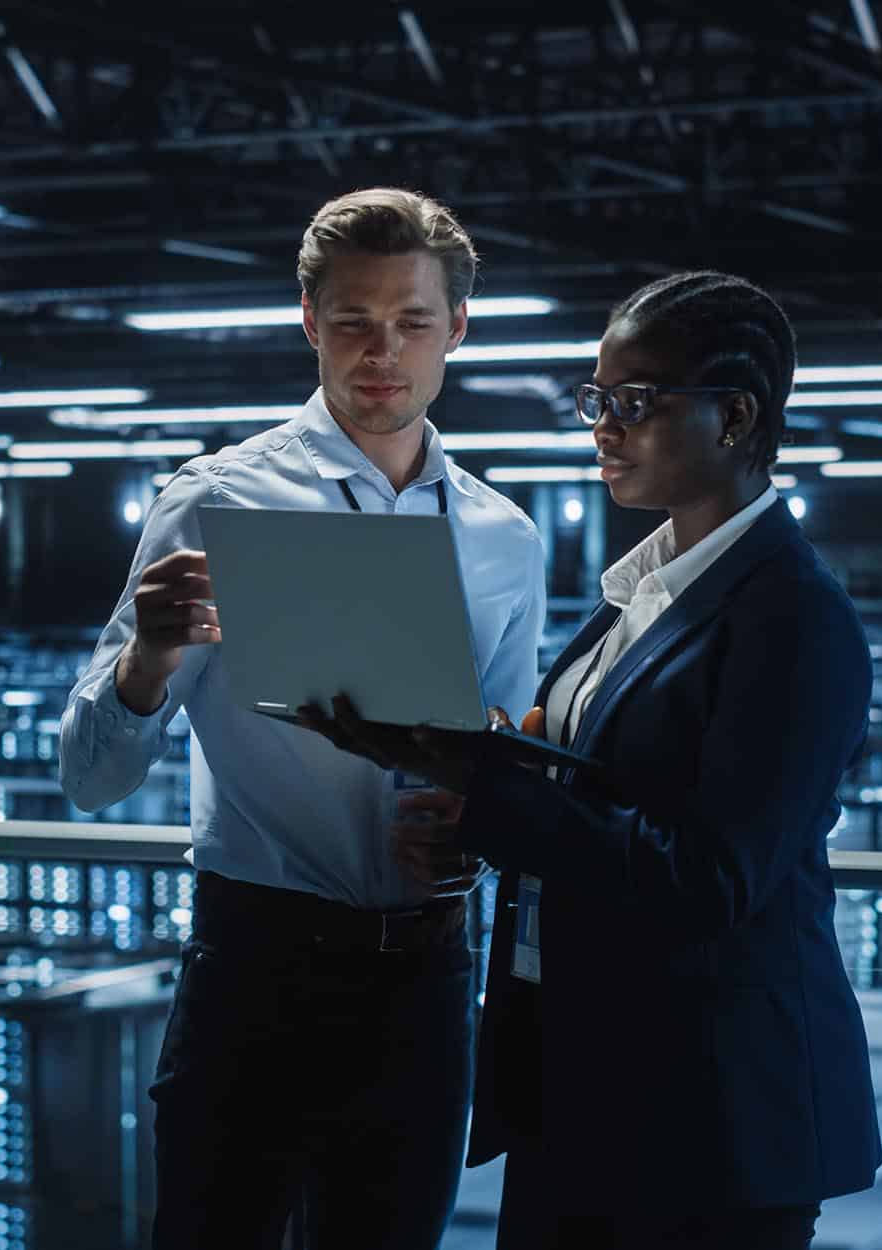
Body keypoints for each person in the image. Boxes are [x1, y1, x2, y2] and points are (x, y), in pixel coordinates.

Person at [303, 271, 881, 1249]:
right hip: (584, 1083)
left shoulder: (792, 618)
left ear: (734, 416)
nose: (601, 426)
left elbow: (705, 876)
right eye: (595, 399)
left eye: (635, 401)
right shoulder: (638, 592)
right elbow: (599, 783)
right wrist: (466, 779)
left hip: (705, 1114)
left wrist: (483, 781)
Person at [58, 187, 546, 1250]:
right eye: (352, 323)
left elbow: (504, 755)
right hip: (256, 969)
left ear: (456, 328)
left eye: (413, 322)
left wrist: (476, 821)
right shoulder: (214, 501)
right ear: (307, 321)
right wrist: (147, 657)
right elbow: (89, 776)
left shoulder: (505, 537)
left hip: (427, 976)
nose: (383, 353)